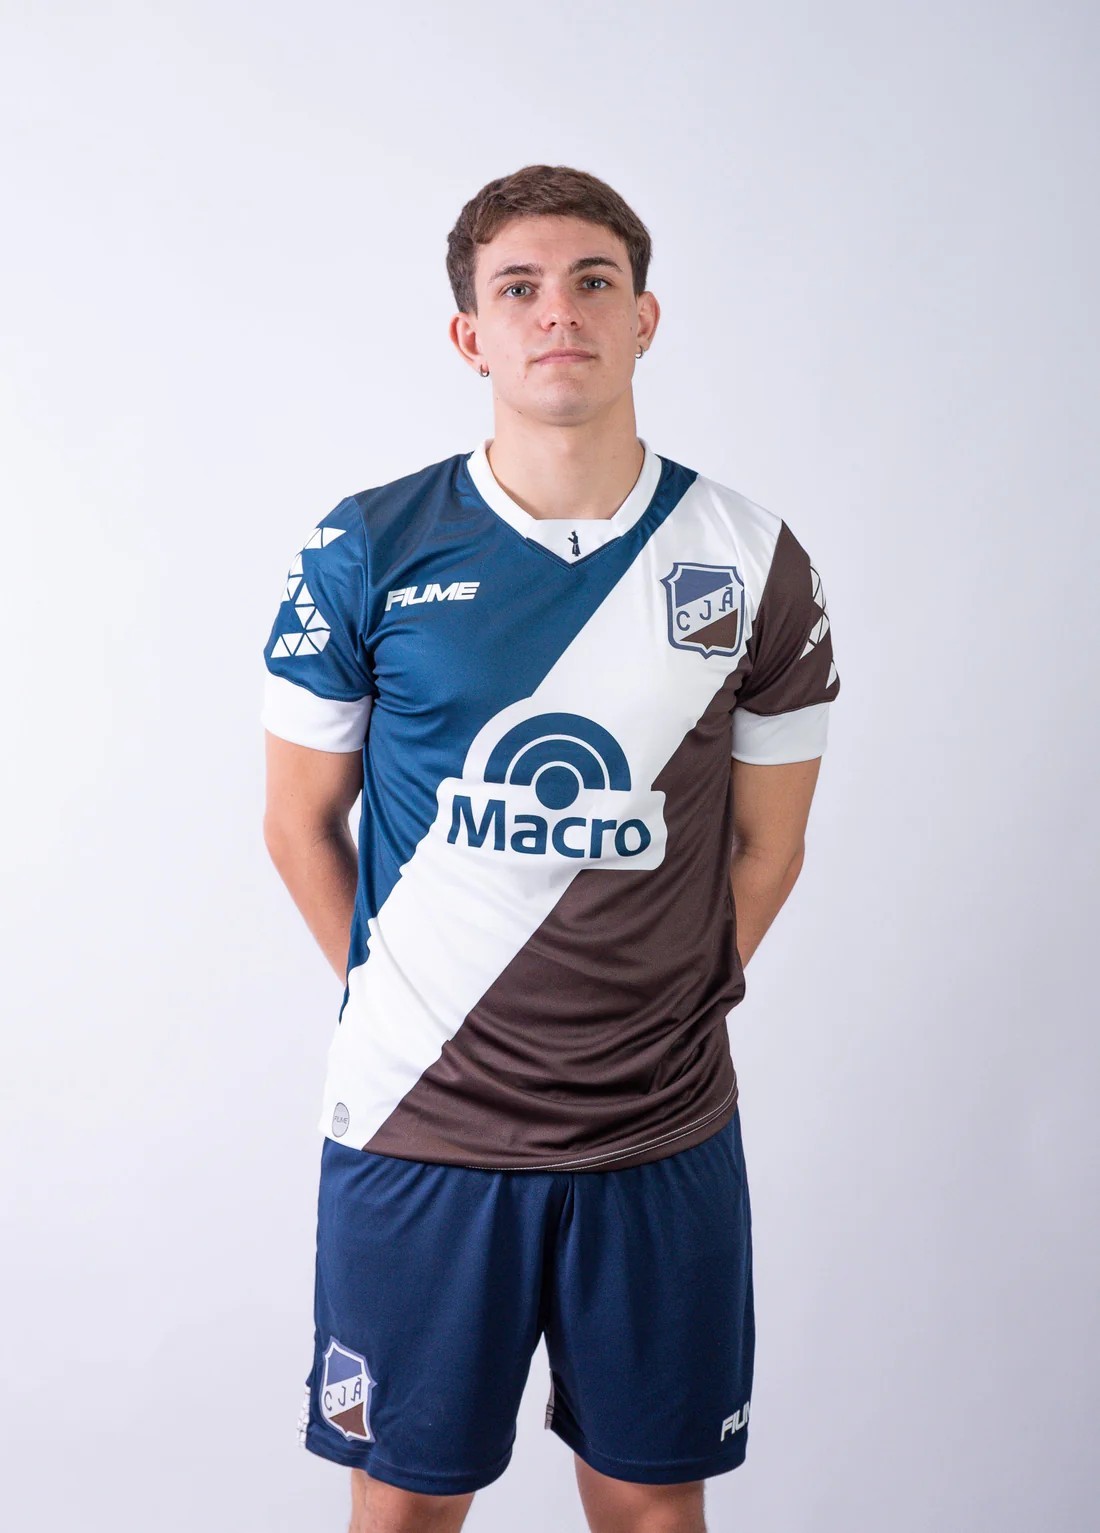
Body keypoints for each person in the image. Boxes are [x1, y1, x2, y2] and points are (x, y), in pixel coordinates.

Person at [261, 163, 840, 1533]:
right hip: (419, 1124)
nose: (558, 312)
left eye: (593, 282)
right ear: (472, 335)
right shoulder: (367, 545)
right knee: (407, 1503)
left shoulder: (752, 558)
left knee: (650, 1502)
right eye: (518, 288)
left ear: (646, 318)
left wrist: (667, 1006)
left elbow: (770, 847)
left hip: (660, 1128)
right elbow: (297, 821)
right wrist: (398, 996)